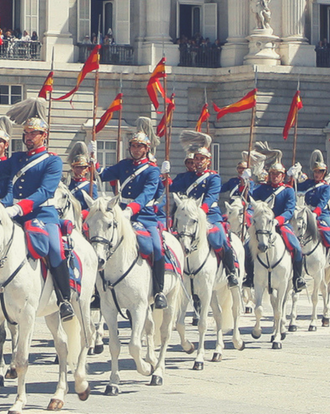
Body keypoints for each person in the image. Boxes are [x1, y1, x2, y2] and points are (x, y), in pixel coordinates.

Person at [0, 98, 74, 321]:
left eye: (33, 134)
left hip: (43, 214)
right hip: (14, 214)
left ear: (43, 135)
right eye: (26, 134)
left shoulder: (52, 162)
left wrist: (18, 208)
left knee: (55, 248)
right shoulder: (17, 158)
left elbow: (46, 191)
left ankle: (64, 298)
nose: (28, 138)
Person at [99, 117, 168, 309]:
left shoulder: (152, 171)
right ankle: (100, 287)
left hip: (144, 216)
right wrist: (92, 162)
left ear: (147, 149)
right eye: (133, 146)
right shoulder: (124, 165)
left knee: (156, 247)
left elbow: (147, 194)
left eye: (140, 146)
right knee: (101, 241)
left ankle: (159, 290)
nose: (136, 149)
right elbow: (104, 175)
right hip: (121, 214)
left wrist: (132, 209)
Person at [170, 131, 240, 285]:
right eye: (196, 158)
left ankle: (230, 272)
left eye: (202, 159)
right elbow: (172, 187)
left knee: (219, 239)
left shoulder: (213, 177)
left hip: (209, 215)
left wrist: (201, 211)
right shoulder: (187, 177)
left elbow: (211, 196)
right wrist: (163, 176)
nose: (199, 161)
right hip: (188, 216)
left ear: (208, 161)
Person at [248, 145, 307, 291]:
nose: (275, 177)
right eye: (273, 174)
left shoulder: (288, 190)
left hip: (280, 224)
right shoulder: (260, 189)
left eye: (278, 174)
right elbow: (251, 205)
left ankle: (297, 278)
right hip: (262, 226)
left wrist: (277, 220)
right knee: (246, 247)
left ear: (283, 175)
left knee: (296, 247)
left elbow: (289, 210)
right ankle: (249, 277)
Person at [296, 150, 330, 261]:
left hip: (322, 213)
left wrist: (316, 213)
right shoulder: (308, 183)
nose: (317, 174)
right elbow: (295, 187)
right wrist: (291, 177)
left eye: (320, 172)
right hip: (306, 212)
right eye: (316, 172)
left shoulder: (326, 187)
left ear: (324, 173)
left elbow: (323, 201)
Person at [65, 141, 99, 214]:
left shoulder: (90, 185)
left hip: (83, 217)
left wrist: (83, 214)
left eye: (82, 168)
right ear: (73, 168)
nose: (79, 170)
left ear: (86, 169)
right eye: (77, 167)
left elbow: (95, 205)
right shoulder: (67, 183)